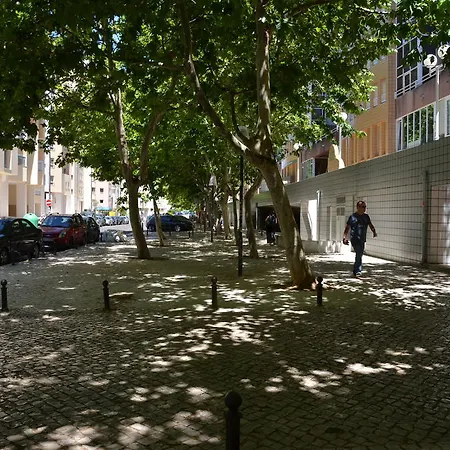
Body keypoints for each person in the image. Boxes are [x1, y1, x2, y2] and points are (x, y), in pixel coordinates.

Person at [342, 201, 377, 277]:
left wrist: (374, 231)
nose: (364, 208)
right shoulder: (352, 217)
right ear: (358, 207)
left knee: (360, 254)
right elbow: (347, 228)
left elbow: (370, 225)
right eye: (363, 207)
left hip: (362, 239)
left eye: (365, 207)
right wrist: (344, 237)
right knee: (358, 253)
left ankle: (355, 270)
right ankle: (358, 270)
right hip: (355, 239)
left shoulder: (366, 216)